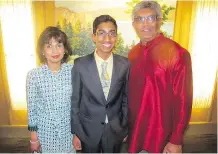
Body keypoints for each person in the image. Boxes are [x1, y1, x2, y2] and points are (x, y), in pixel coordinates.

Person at [128, 1, 193, 153]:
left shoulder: (177, 53)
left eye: (150, 18)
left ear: (159, 21)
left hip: (162, 138)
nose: (145, 24)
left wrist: (176, 140)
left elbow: (183, 99)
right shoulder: (132, 54)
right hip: (135, 134)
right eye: (139, 19)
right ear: (134, 24)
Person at [71, 15, 129, 153]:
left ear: (116, 37)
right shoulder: (80, 64)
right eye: (101, 33)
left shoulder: (125, 64)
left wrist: (125, 127)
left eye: (112, 33)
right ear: (94, 36)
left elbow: (126, 99)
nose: (107, 39)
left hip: (115, 129)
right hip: (88, 129)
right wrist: (76, 132)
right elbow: (75, 101)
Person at [26, 26, 75, 153]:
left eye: (59, 45)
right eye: (49, 46)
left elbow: (77, 105)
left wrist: (77, 134)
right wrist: (33, 138)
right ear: (42, 51)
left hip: (68, 132)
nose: (55, 50)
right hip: (44, 133)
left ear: (64, 49)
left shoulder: (73, 72)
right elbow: (32, 109)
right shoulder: (33, 75)